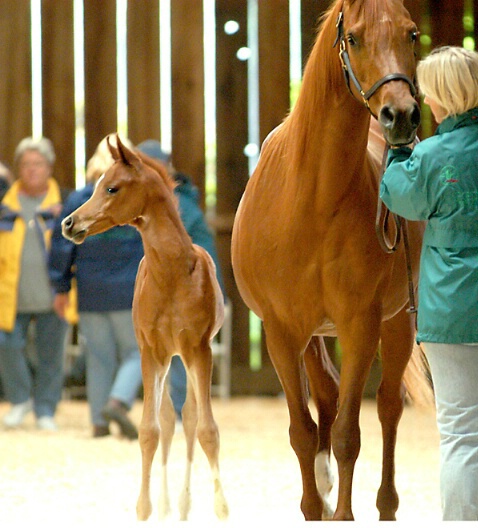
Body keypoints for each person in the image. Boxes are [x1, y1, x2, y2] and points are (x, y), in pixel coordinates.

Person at [380, 46, 478, 521]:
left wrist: (398, 153)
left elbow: (401, 199)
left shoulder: (434, 156)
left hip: (454, 311)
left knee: (462, 432)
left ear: (438, 96)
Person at [49, 135, 144, 439]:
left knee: (98, 356)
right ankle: (118, 401)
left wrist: (61, 288)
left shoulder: (79, 201)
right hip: (127, 290)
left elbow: (63, 248)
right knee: (136, 352)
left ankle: (98, 423)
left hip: (89, 292)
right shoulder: (132, 199)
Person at [136, 140, 225, 421]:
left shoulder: (174, 205)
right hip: (176, 284)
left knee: (178, 345)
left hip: (188, 287)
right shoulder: (178, 199)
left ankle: (174, 412)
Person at [0, 137, 67, 431]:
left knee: (51, 354)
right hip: (10, 294)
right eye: (25, 165)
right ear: (17, 170)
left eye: (38, 164)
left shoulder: (64, 204)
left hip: (53, 295)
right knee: (7, 346)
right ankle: (19, 399)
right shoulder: (4, 207)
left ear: (49, 167)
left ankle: (45, 409)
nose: (32, 170)